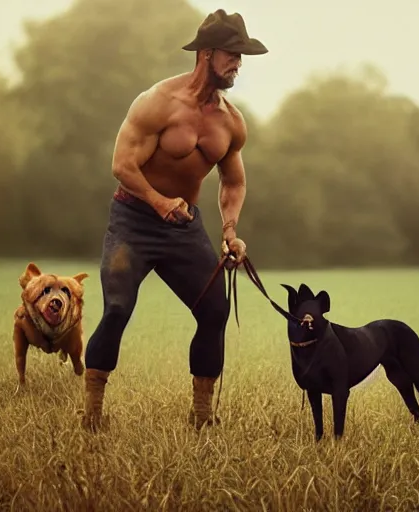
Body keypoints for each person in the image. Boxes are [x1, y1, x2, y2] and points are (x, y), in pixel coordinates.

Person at [81, 9, 268, 432]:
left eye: (242, 56)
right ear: (206, 54)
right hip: (133, 220)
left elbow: (233, 182)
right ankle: (92, 412)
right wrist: (158, 200)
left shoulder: (232, 122)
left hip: (183, 228)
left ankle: (201, 416)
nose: (239, 63)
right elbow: (122, 165)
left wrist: (231, 231)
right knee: (116, 309)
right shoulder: (157, 103)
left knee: (215, 310)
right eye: (233, 54)